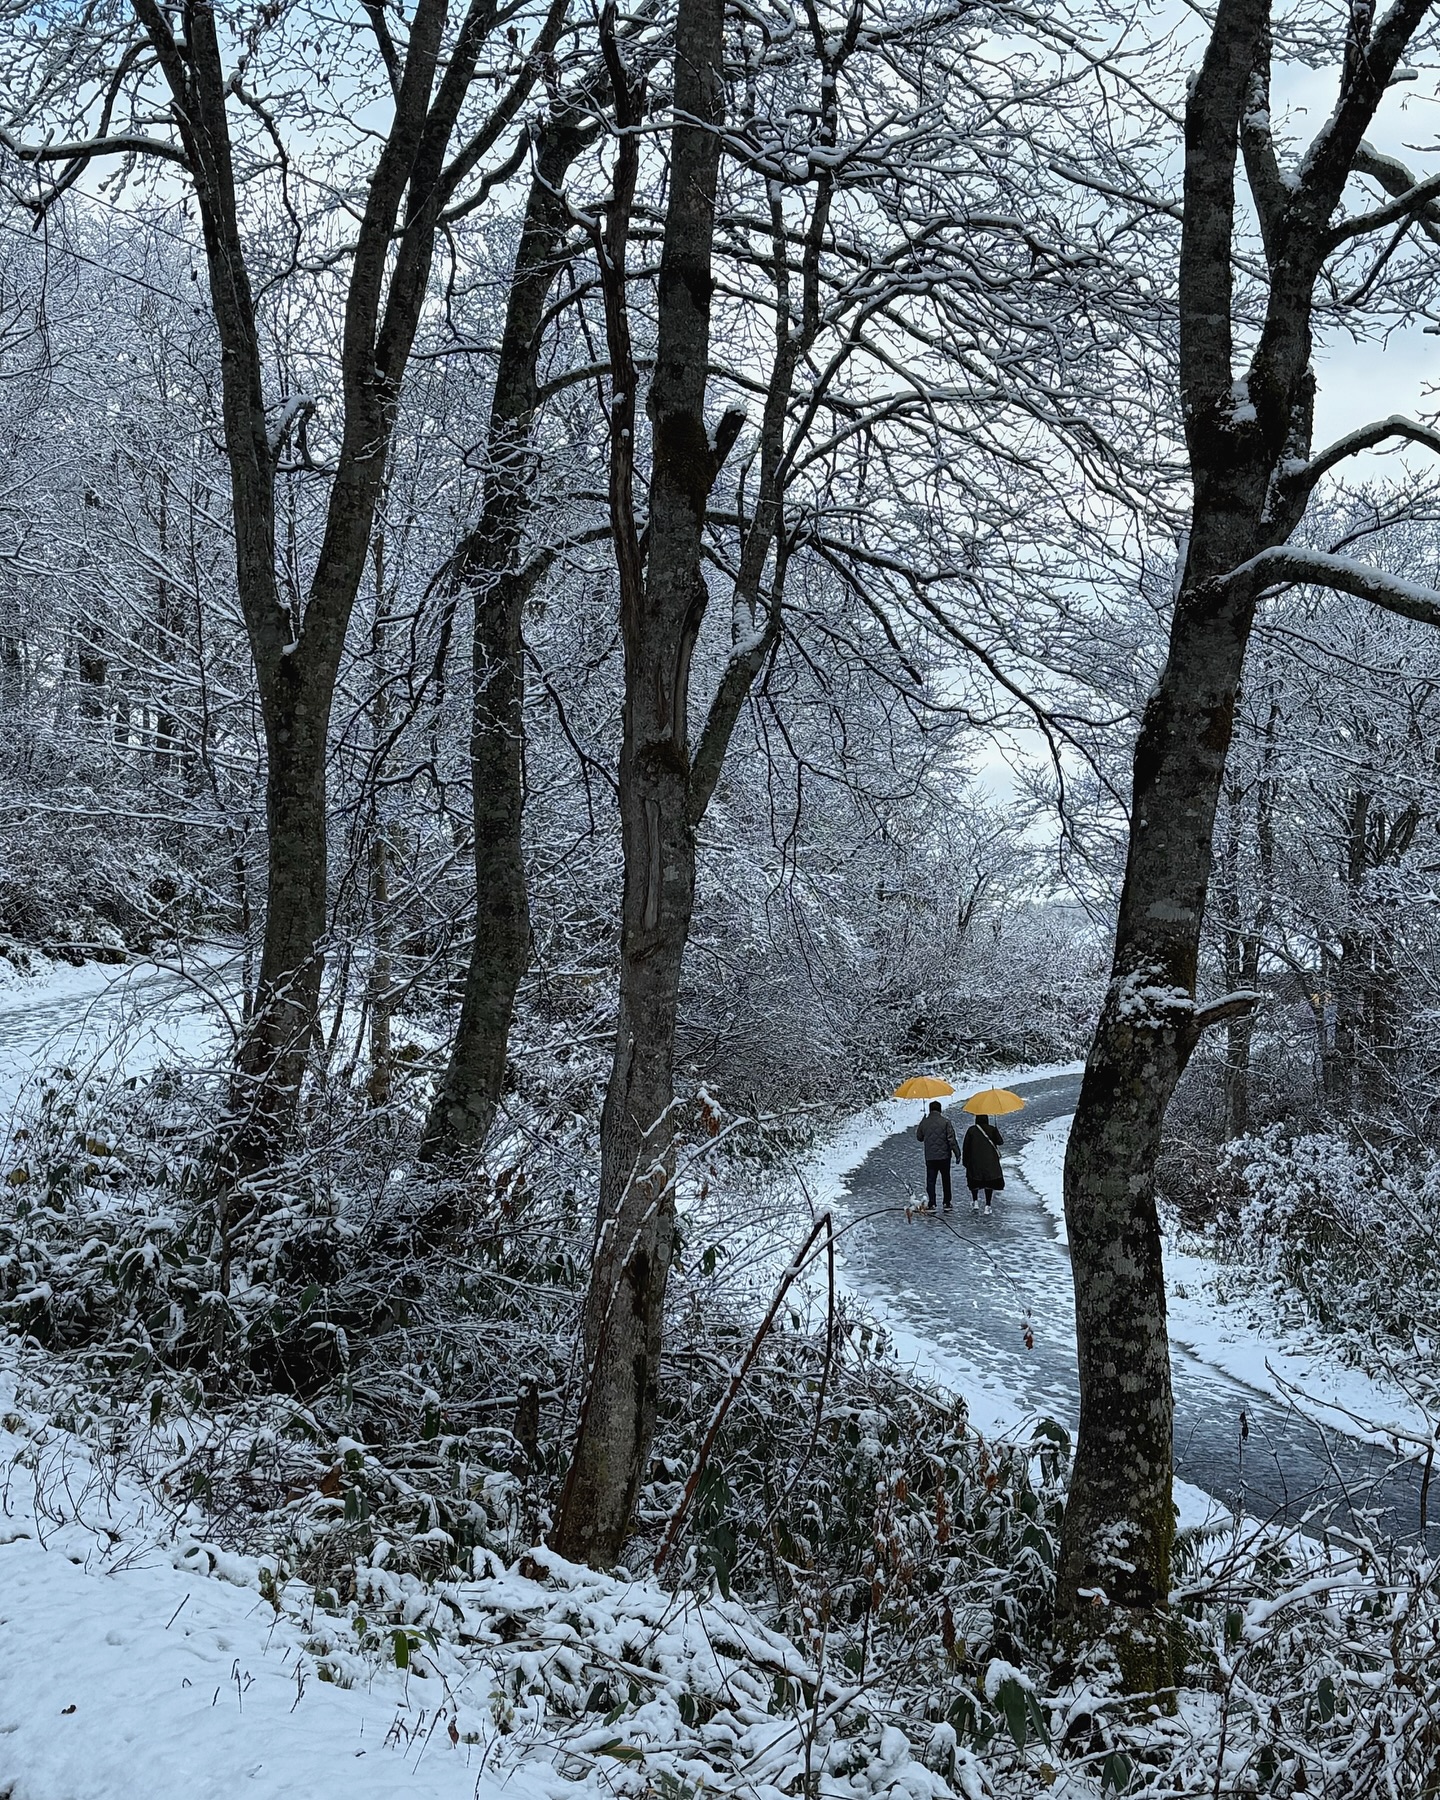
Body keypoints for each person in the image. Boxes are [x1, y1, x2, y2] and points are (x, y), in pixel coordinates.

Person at [915, 1100, 960, 1211]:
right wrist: (957, 1153)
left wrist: (922, 1122)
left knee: (931, 1180)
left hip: (930, 1157)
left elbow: (919, 1137)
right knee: (946, 1179)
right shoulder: (945, 1122)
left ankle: (932, 1203)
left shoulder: (925, 1122)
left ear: (930, 1110)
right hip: (944, 1157)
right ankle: (947, 1203)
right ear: (940, 1110)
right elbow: (951, 1140)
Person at [962, 1113, 1004, 1215]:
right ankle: (987, 1205)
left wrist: (965, 1161)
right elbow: (1000, 1142)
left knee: (974, 1182)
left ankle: (975, 1202)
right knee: (989, 1184)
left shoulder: (971, 1130)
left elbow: (965, 1147)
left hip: (974, 1162)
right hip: (990, 1162)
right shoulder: (992, 1129)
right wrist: (996, 1130)